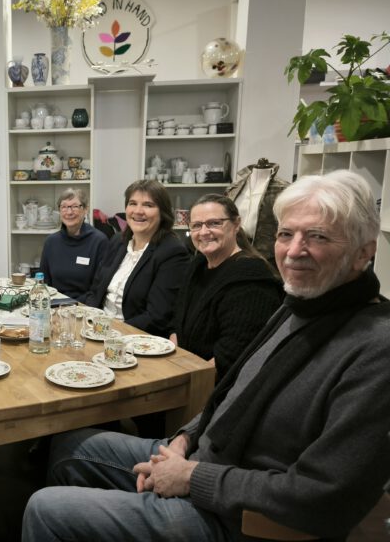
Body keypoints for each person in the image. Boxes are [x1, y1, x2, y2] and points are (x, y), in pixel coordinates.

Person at [22, 170, 390, 542]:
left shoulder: (375, 348)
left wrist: (191, 476)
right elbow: (233, 394)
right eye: (285, 234)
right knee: (69, 445)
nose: (294, 251)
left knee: (45, 508)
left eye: (318, 236)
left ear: (365, 251)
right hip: (205, 455)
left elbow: (325, 498)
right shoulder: (299, 308)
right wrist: (184, 438)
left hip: (233, 514)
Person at [170, 194, 282, 382]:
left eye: (214, 223)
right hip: (185, 370)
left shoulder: (251, 278)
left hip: (214, 388)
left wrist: (188, 381)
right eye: (196, 225)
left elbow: (231, 357)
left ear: (236, 224)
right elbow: (177, 321)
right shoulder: (198, 265)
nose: (204, 232)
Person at [81, 180, 189, 336]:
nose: (138, 211)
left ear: (163, 212)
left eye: (148, 205)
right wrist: (87, 318)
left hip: (133, 339)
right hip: (97, 329)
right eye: (132, 203)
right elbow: (96, 290)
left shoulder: (172, 252)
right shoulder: (118, 241)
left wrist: (109, 331)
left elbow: (157, 317)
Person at [38, 188, 108, 300]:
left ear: (85, 209)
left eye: (75, 206)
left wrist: (72, 306)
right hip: (54, 305)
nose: (69, 212)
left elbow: (99, 289)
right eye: (64, 207)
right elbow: (43, 283)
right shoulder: (51, 242)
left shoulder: (99, 241)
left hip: (85, 308)